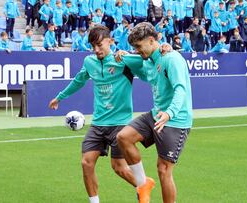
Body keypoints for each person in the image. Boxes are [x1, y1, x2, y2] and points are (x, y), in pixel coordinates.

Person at [48, 25, 145, 203]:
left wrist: (161, 49)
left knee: (119, 168)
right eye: (93, 46)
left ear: (110, 41)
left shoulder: (123, 60)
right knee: (86, 162)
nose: (96, 49)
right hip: (98, 123)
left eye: (100, 45)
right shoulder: (89, 62)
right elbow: (78, 81)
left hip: (120, 124)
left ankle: (143, 185)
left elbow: (148, 64)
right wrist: (59, 97)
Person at [117, 22, 192, 203]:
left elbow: (180, 89)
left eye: (139, 47)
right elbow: (139, 66)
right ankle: (143, 183)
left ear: (151, 40)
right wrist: (122, 55)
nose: (137, 51)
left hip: (175, 120)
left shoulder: (171, 58)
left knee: (163, 170)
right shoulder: (149, 59)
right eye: (134, 47)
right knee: (123, 137)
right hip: (156, 115)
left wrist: (170, 113)